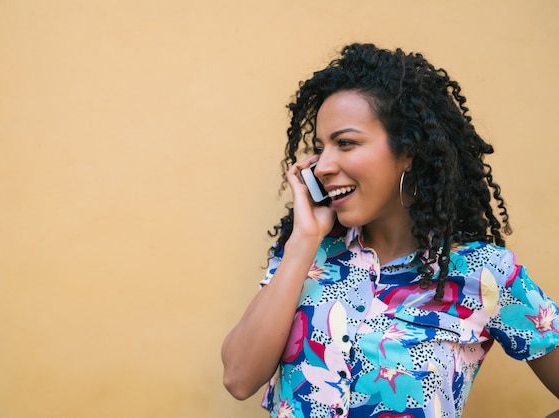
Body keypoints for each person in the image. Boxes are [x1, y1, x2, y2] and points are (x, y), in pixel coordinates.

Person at [221, 43, 559, 417]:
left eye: (346, 143)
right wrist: (303, 241)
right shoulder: (308, 257)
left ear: (408, 152)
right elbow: (239, 378)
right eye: (321, 147)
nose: (323, 165)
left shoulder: (485, 274)